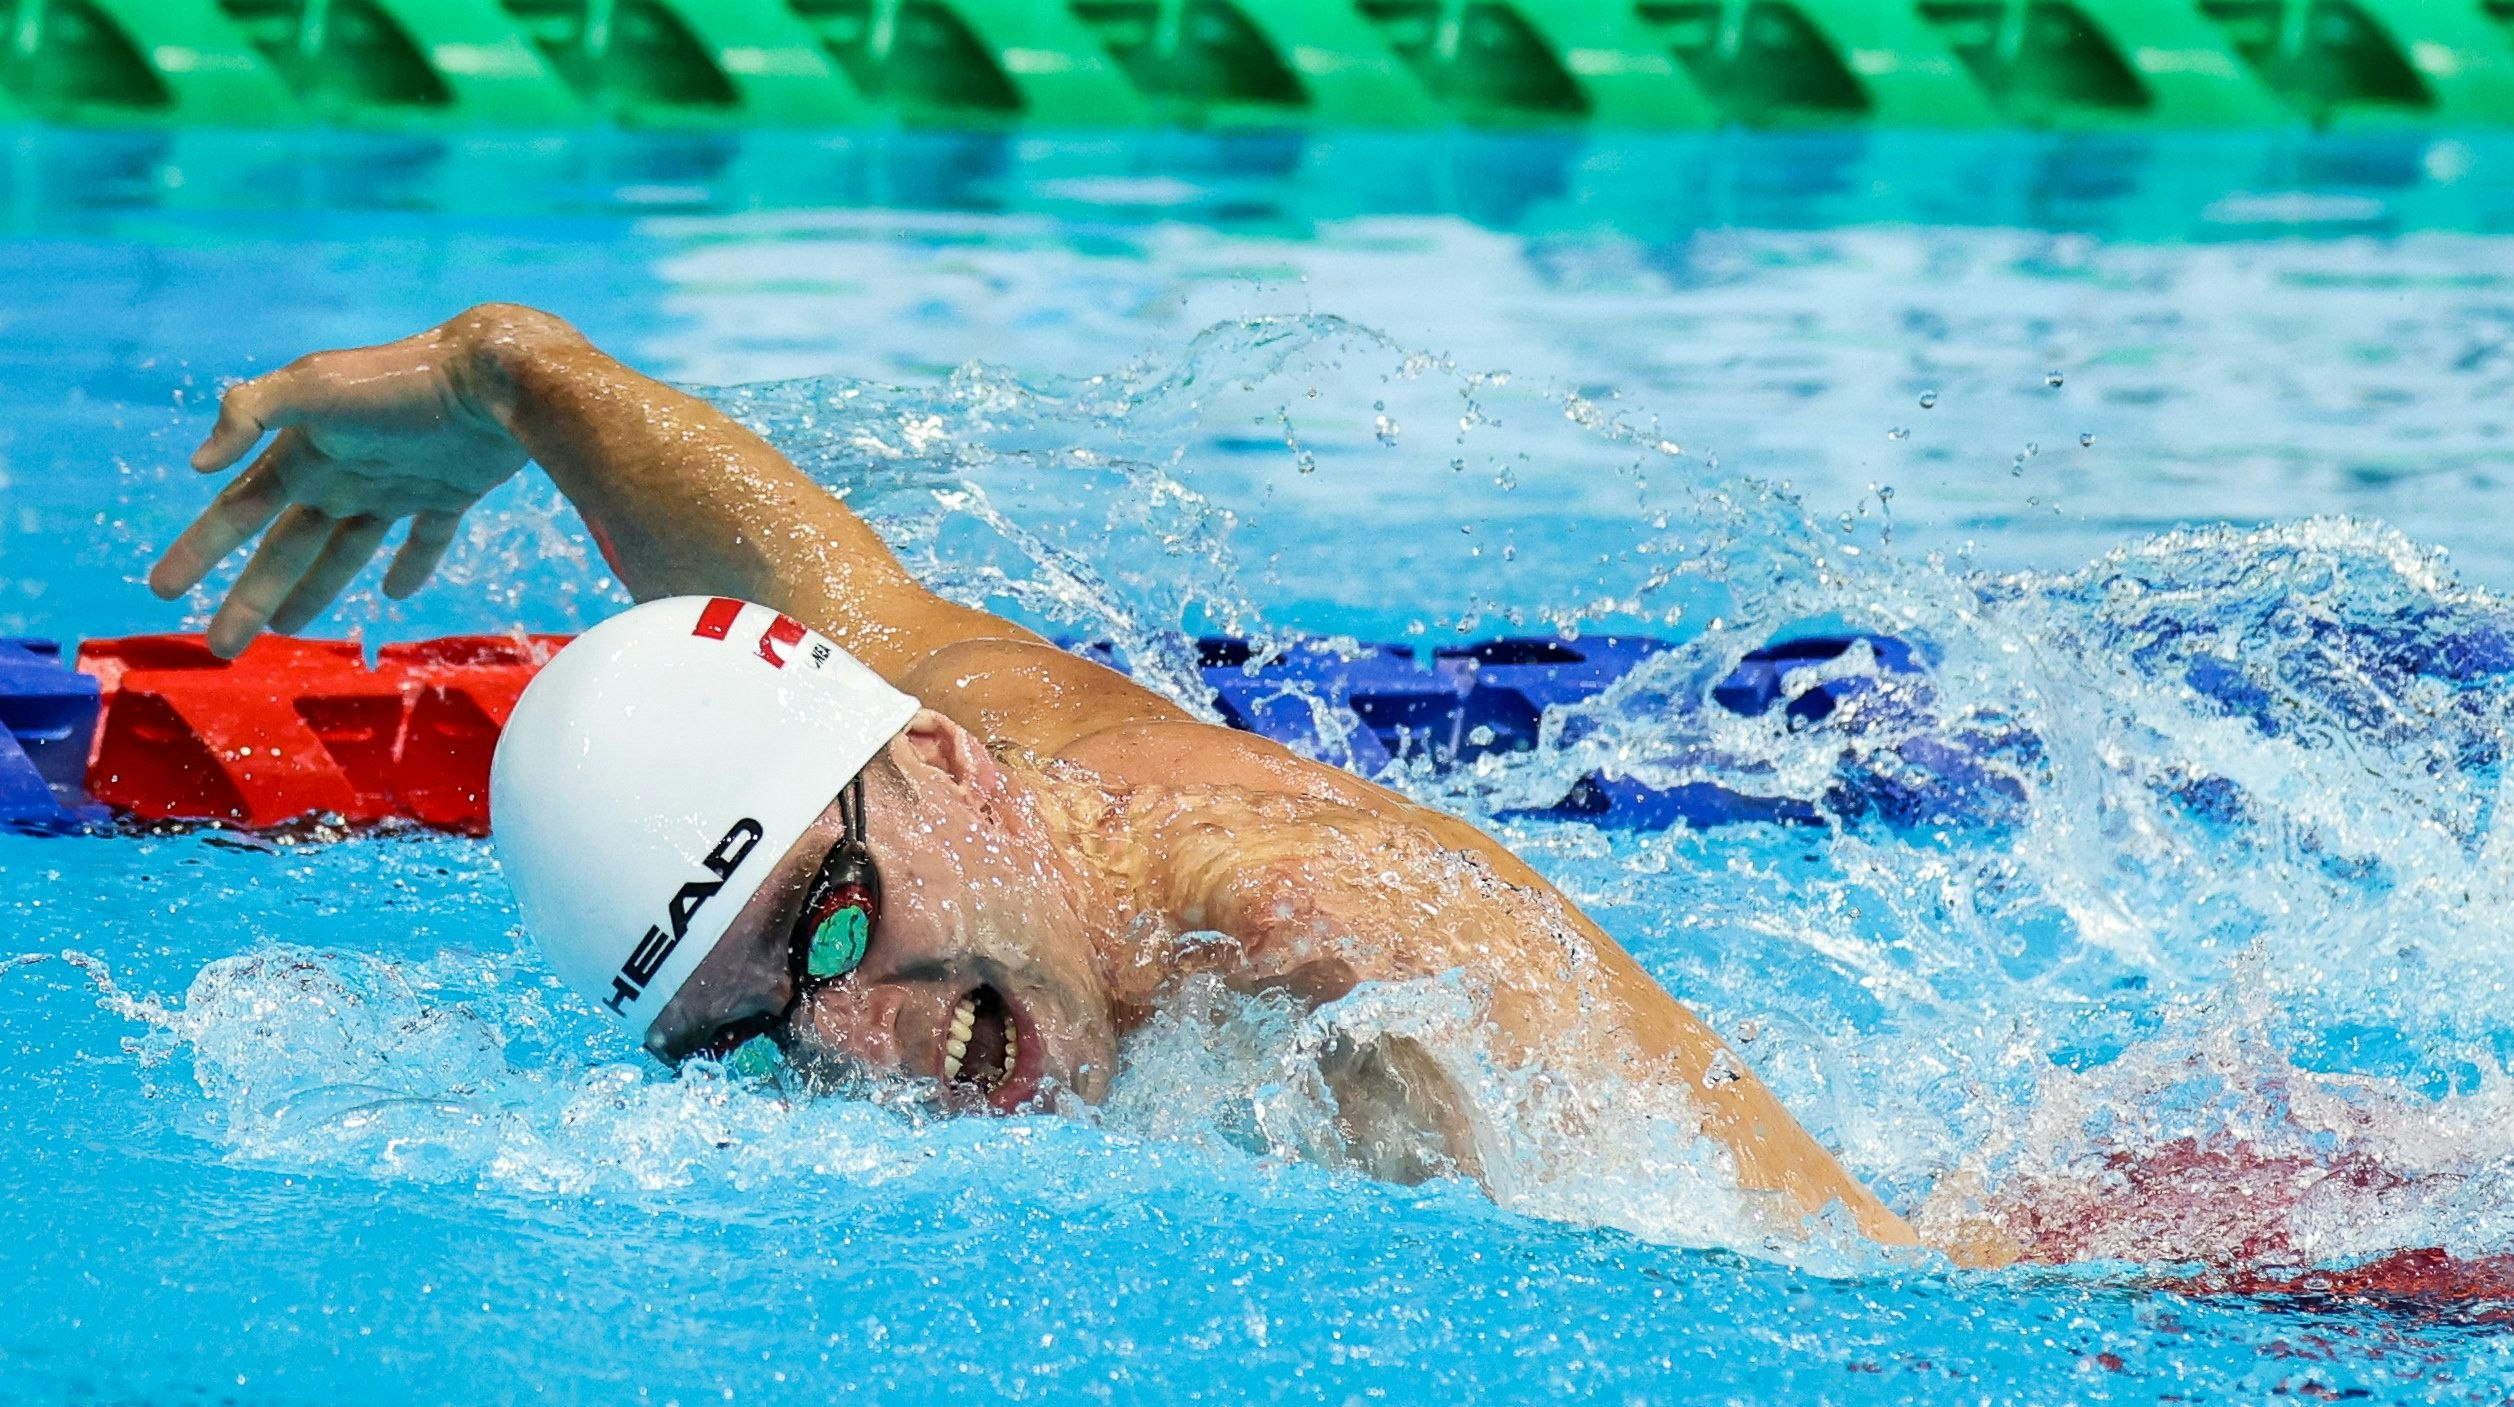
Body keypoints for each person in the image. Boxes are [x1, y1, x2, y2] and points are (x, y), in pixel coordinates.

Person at [150, 303, 1967, 1255]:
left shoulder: (1325, 952)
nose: (855, 1051)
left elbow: (1808, 1274)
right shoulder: (921, 727)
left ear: (937, 773)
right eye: (748, 1031)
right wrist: (494, 379)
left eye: (831, 922)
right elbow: (784, 569)